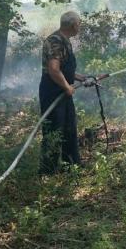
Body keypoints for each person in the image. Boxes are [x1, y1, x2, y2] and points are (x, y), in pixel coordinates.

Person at [39, 11, 90, 174]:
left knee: (69, 128)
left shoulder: (64, 41)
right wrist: (67, 87)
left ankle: (71, 166)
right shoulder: (56, 41)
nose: (80, 27)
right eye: (79, 24)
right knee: (54, 131)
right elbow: (53, 70)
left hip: (62, 92)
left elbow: (63, 68)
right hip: (53, 93)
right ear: (73, 25)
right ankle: (48, 172)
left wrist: (81, 78)